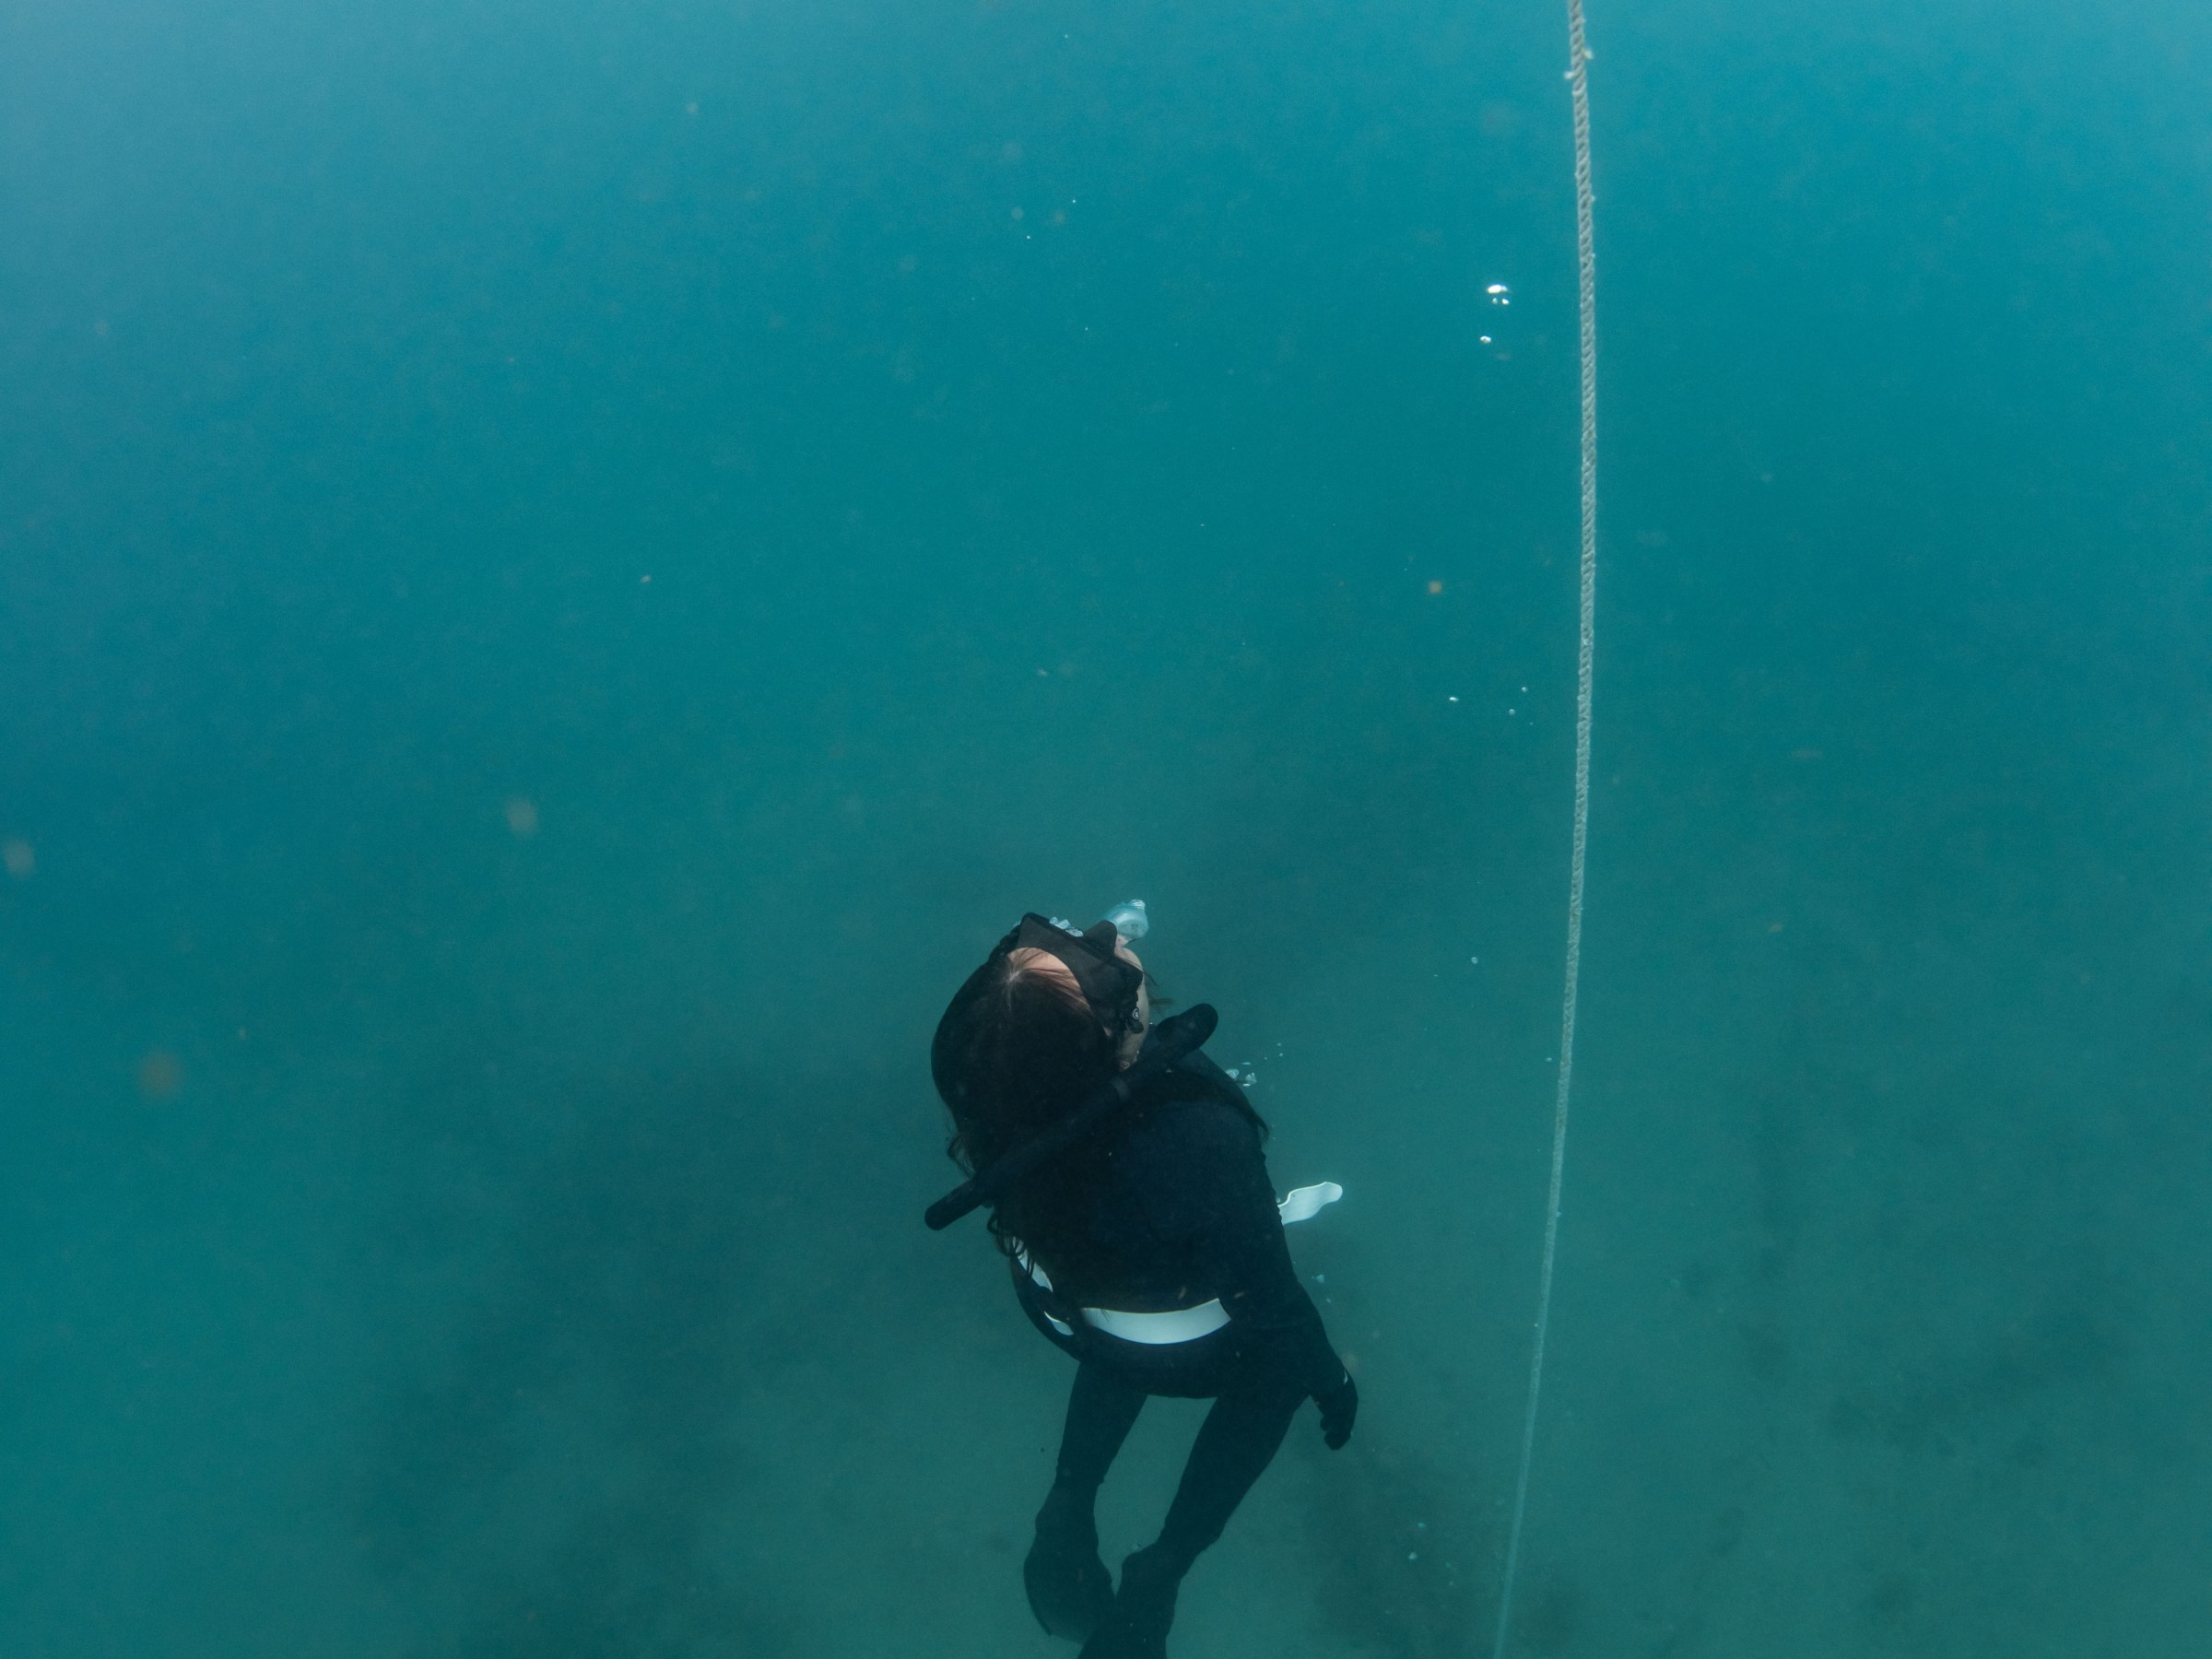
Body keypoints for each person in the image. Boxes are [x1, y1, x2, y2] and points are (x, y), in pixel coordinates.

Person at [929, 912, 1358, 1659]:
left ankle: (1069, 1496)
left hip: (1062, 1306)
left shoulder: (987, 1067)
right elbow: (1276, 1302)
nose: (1101, 936)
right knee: (1277, 1367)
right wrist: (1329, 1380)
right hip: (1166, 1348)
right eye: (1105, 969)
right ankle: (1162, 1566)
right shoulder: (1199, 1133)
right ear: (1123, 1038)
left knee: (1119, 1296)